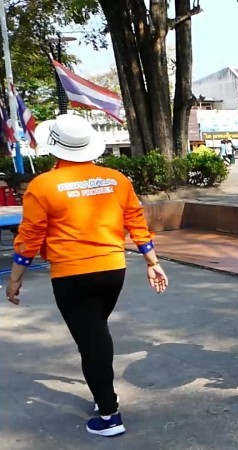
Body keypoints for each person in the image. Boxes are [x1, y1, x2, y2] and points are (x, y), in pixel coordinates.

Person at [5, 115, 169, 437]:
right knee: (95, 333)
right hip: (113, 271)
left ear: (55, 148)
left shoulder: (43, 185)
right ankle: (103, 395)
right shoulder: (116, 179)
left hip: (72, 275)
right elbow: (136, 221)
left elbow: (30, 236)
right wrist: (152, 261)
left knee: (92, 341)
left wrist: (15, 278)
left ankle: (109, 415)